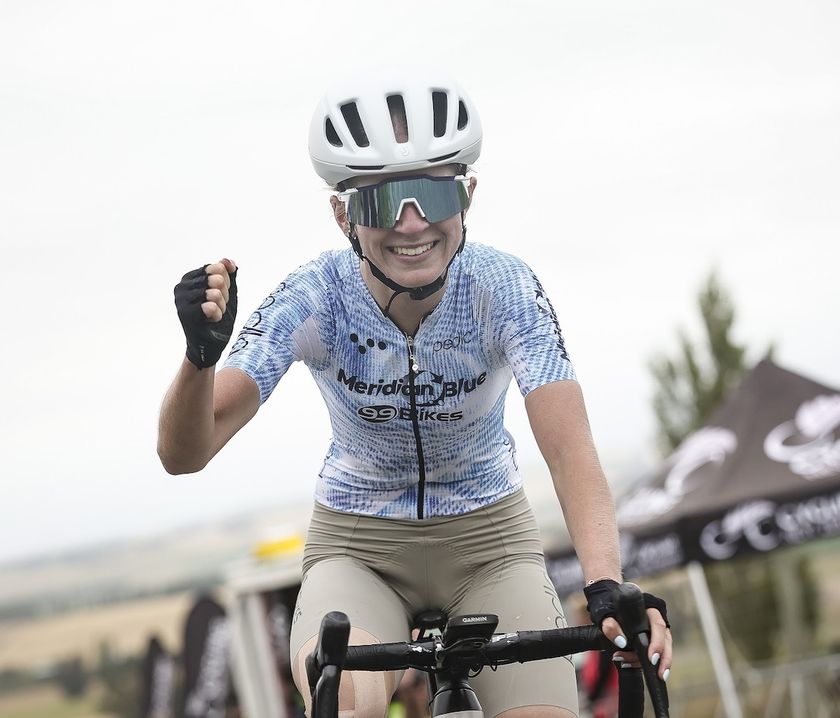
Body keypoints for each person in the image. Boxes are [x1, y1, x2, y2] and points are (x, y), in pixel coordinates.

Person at [158, 68, 673, 718]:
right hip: (359, 549)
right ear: (342, 213)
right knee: (342, 697)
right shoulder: (314, 296)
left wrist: (606, 584)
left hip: (491, 543)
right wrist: (198, 362)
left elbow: (570, 450)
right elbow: (185, 453)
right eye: (380, 202)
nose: (410, 225)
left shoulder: (504, 288)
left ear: (468, 194)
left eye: (431, 195)